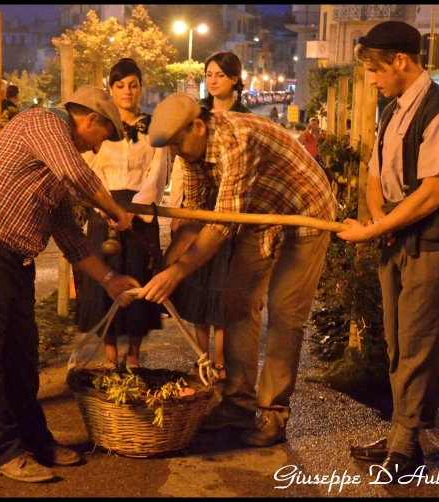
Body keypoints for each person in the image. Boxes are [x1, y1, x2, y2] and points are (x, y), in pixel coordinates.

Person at [0, 85, 140, 483]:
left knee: (20, 356)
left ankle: (35, 439)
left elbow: (68, 234)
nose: (97, 148)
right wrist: (113, 207)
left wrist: (111, 280)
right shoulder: (42, 121)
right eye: (102, 137)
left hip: (13, 261)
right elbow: (74, 170)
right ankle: (1, 452)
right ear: (89, 119)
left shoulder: (54, 167)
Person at [139, 92, 336, 448]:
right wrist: (168, 261)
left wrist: (177, 273)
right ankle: (238, 404)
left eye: (178, 143)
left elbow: (223, 226)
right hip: (259, 216)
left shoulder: (236, 141)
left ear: (197, 125)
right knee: (237, 304)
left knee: (284, 312)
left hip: (305, 213)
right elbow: (199, 213)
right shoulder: (192, 151)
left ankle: (274, 414)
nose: (177, 152)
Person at [337, 21, 439, 484]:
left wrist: (377, 228)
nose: (372, 79)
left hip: (434, 240)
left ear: (401, 61)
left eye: (376, 69)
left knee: (419, 342)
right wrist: (380, 223)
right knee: (398, 341)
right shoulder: (392, 111)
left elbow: (433, 193)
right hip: (396, 234)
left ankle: (406, 444)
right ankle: (401, 430)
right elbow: (376, 176)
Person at [76, 58, 166, 370]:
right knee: (106, 279)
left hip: (140, 214)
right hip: (104, 210)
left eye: (133, 85)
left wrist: (137, 208)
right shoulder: (100, 124)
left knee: (139, 278)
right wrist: (104, 207)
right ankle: (110, 355)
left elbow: (158, 171)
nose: (127, 91)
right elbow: (86, 169)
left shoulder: (153, 127)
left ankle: (135, 354)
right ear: (111, 90)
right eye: (120, 86)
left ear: (141, 87)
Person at [169, 51, 251, 382]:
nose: (213, 80)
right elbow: (187, 165)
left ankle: (221, 360)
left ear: (234, 78)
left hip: (231, 214)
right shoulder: (197, 113)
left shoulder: (244, 118)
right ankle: (201, 356)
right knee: (198, 287)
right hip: (201, 211)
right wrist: (184, 212)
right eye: (209, 74)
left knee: (223, 292)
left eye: (219, 74)